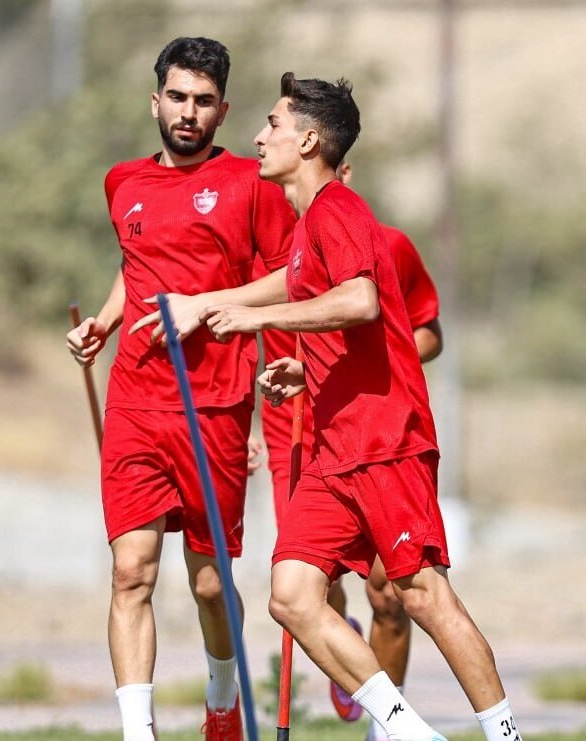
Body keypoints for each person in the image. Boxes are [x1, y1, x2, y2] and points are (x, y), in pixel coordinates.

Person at [134, 74, 521, 741]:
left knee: (423, 596)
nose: (259, 137)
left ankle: (505, 734)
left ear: (309, 140)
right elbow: (308, 297)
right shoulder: (309, 224)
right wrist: (292, 357)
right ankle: (410, 732)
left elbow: (360, 301)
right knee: (291, 596)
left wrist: (255, 320)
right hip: (332, 450)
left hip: (385, 441)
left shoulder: (339, 210)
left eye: (273, 124)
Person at [65, 37, 296, 741]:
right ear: (155, 101)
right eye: (177, 97)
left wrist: (211, 309)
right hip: (136, 401)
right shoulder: (122, 182)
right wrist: (105, 321)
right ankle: (139, 731)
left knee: (209, 583)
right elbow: (137, 263)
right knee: (130, 572)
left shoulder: (253, 184)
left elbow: (290, 277)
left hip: (217, 403)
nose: (188, 112)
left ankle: (222, 697)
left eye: (203, 101)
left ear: (222, 110)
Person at [250, 159, 443, 737]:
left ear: (343, 169)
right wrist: (244, 429)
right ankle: (345, 639)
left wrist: (371, 359)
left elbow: (427, 332)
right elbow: (233, 336)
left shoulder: (388, 246)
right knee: (310, 585)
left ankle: (388, 730)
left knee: (391, 593)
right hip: (295, 435)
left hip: (374, 431)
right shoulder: (268, 258)